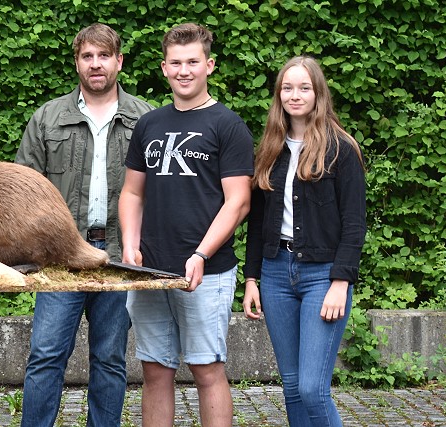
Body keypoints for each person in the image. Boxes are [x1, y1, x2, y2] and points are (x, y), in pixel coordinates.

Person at [14, 23, 153, 427]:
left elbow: (156, 192)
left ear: (119, 61)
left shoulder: (145, 119)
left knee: (109, 359)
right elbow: (22, 189)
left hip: (118, 254)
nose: (96, 65)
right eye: (87, 56)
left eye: (103, 56)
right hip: (61, 257)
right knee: (45, 355)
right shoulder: (48, 118)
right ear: (77, 62)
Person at [119, 22, 254, 427]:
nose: (184, 71)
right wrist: (130, 245)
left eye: (192, 62)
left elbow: (239, 201)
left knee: (206, 369)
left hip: (206, 271)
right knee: (155, 370)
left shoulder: (227, 125)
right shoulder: (149, 124)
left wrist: (201, 253)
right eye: (176, 63)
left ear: (209, 65)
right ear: (164, 68)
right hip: (150, 270)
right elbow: (132, 193)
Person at [242, 56, 366, 427]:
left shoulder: (341, 149)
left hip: (323, 277)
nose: (295, 95)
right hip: (277, 274)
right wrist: (252, 279)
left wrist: (339, 283)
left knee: (313, 388)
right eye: (287, 87)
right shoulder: (270, 149)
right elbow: (258, 220)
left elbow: (354, 223)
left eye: (304, 87)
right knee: (293, 387)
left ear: (318, 93)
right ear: (279, 94)